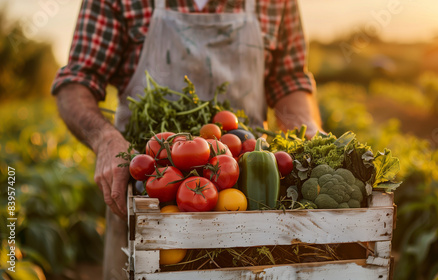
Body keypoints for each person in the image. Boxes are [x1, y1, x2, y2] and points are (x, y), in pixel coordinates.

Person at [52, 0, 322, 279]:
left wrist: (308, 131)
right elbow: (78, 79)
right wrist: (106, 140)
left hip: (249, 184)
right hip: (148, 187)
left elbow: (288, 81)